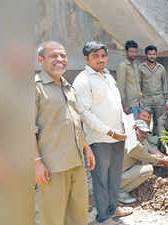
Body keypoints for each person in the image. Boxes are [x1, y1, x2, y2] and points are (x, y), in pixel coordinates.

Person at [35, 41, 96, 225]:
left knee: (78, 215)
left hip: (76, 163)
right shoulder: (35, 88)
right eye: (54, 55)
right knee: (53, 218)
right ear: (41, 60)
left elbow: (74, 123)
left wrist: (87, 148)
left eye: (63, 55)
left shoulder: (68, 87)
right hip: (52, 167)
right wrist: (36, 162)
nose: (60, 59)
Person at [73, 41, 131, 224]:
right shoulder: (83, 80)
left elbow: (116, 104)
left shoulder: (107, 76)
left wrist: (126, 126)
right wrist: (110, 132)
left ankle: (113, 208)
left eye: (103, 55)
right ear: (86, 58)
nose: (100, 59)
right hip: (100, 139)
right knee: (100, 178)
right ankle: (103, 216)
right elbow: (85, 113)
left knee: (114, 176)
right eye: (95, 56)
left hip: (118, 136)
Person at [119, 120, 168, 204]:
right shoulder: (133, 145)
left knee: (143, 164)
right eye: (141, 132)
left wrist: (165, 157)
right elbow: (148, 157)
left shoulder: (130, 137)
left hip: (117, 173)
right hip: (117, 178)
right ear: (134, 129)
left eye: (145, 133)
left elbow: (152, 150)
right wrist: (165, 160)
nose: (144, 135)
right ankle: (120, 192)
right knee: (148, 169)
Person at [139, 45, 168, 131]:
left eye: (154, 54)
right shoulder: (141, 68)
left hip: (159, 100)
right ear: (146, 55)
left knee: (159, 123)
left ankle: (159, 142)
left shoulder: (161, 68)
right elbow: (138, 83)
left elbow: (165, 83)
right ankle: (146, 143)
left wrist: (165, 96)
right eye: (150, 54)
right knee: (144, 122)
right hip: (146, 100)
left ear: (156, 55)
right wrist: (139, 98)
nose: (152, 56)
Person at [116, 40, 142, 115]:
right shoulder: (122, 66)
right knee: (131, 126)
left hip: (138, 104)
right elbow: (121, 87)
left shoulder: (135, 65)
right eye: (131, 52)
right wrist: (124, 106)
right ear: (126, 52)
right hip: (129, 106)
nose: (133, 54)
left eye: (135, 52)